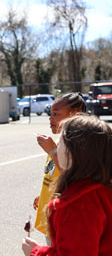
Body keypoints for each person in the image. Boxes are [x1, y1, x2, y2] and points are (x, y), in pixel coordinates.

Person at [22, 115, 112, 255]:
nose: (57, 147)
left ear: (73, 153)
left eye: (61, 142)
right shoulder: (102, 189)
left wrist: (35, 252)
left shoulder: (77, 205)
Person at [33, 93, 86, 243]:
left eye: (56, 114)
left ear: (74, 114)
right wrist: (43, 194)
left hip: (64, 219)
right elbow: (54, 173)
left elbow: (74, 179)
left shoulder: (77, 144)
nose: (50, 119)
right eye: (50, 113)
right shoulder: (59, 140)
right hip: (51, 215)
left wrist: (53, 152)